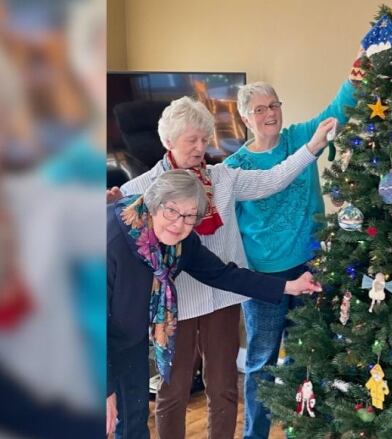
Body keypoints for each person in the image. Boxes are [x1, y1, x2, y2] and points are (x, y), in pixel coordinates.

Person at [107, 95, 335, 439]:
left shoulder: (221, 180)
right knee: (172, 390)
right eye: (191, 140)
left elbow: (274, 179)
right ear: (169, 142)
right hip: (172, 308)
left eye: (204, 139)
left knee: (222, 388)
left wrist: (312, 147)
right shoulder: (138, 196)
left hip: (222, 298)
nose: (200, 147)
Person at [222, 62, 357, 439]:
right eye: (260, 109)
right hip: (263, 278)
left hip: (311, 266)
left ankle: (303, 429)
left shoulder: (298, 137)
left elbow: (336, 111)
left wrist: (352, 78)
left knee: (306, 355)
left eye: (274, 105)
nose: (270, 114)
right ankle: (256, 434)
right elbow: (227, 228)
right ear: (246, 118)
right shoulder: (235, 166)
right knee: (262, 361)